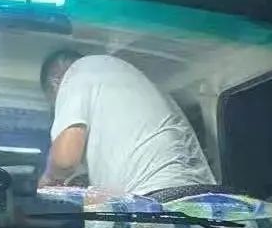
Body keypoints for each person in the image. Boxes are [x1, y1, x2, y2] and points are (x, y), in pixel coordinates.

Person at [38, 49, 216, 199]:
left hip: (156, 200)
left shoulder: (75, 74)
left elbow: (64, 161)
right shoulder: (120, 80)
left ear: (56, 84)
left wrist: (47, 180)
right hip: (197, 198)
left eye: (56, 104)